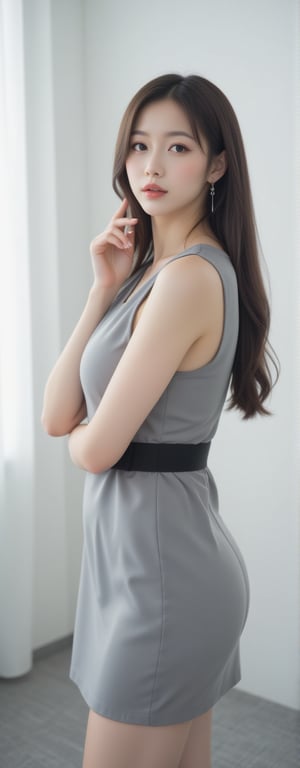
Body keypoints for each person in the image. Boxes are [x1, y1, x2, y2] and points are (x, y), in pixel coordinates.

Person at [42, 74, 278, 768]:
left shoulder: (187, 281)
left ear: (216, 164)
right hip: (149, 568)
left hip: (164, 584)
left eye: (177, 147)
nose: (150, 165)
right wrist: (102, 289)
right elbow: (61, 415)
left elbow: (92, 449)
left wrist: (87, 441)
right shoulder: (153, 271)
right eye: (139, 146)